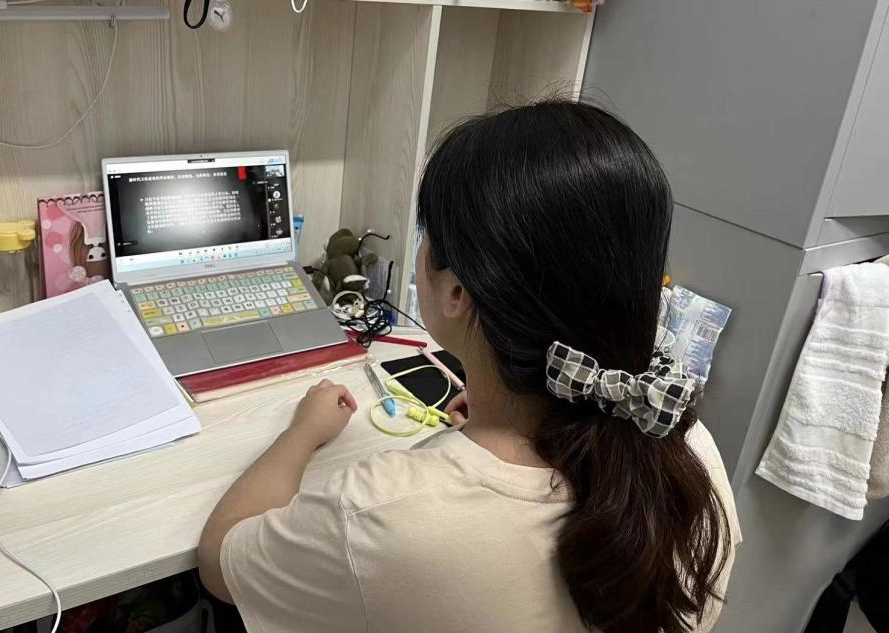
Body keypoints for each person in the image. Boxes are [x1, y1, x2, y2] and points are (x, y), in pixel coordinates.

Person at [198, 99, 741, 633]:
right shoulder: (691, 452)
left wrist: (302, 432)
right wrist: (490, 424)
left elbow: (221, 562)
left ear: (456, 290)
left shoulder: (378, 514)